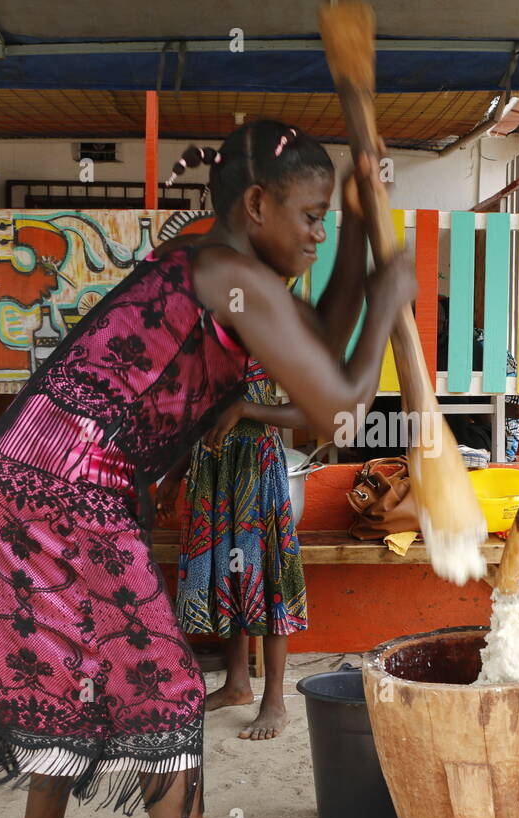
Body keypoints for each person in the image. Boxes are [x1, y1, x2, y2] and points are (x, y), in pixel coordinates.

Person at [0, 120, 413, 818]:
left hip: (29, 469)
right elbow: (337, 409)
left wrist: (364, 231)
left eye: (330, 218)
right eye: (311, 216)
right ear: (258, 206)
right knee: (162, 688)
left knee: (69, 665)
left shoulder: (223, 265)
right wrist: (389, 299)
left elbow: (318, 349)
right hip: (66, 483)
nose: (318, 234)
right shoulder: (230, 276)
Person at [177, 180, 367, 739]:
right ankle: (237, 682)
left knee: (267, 581)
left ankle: (275, 700)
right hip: (211, 470)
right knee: (225, 576)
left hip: (259, 470)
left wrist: (246, 411)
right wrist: (173, 472)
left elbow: (319, 413)